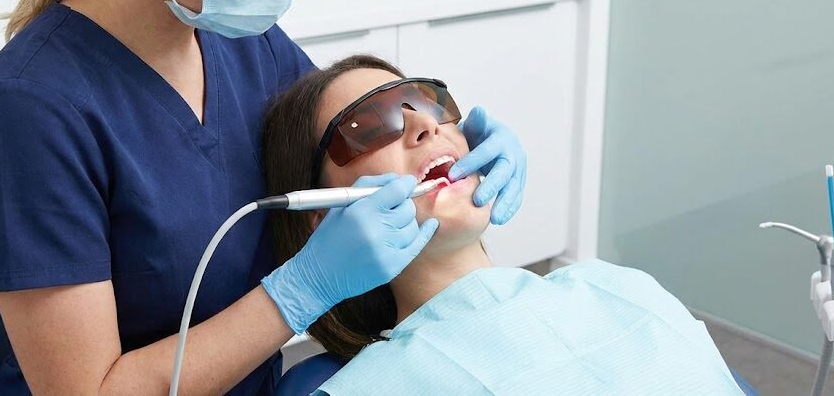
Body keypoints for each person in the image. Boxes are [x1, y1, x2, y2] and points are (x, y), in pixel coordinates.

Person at [0, 0, 527, 394]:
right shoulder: (31, 110)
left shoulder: (246, 45)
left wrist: (449, 136)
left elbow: (341, 144)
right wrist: (301, 290)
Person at [262, 54, 745, 395]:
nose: (424, 126)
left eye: (428, 103)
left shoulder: (615, 286)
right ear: (323, 214)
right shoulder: (352, 386)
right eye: (368, 126)